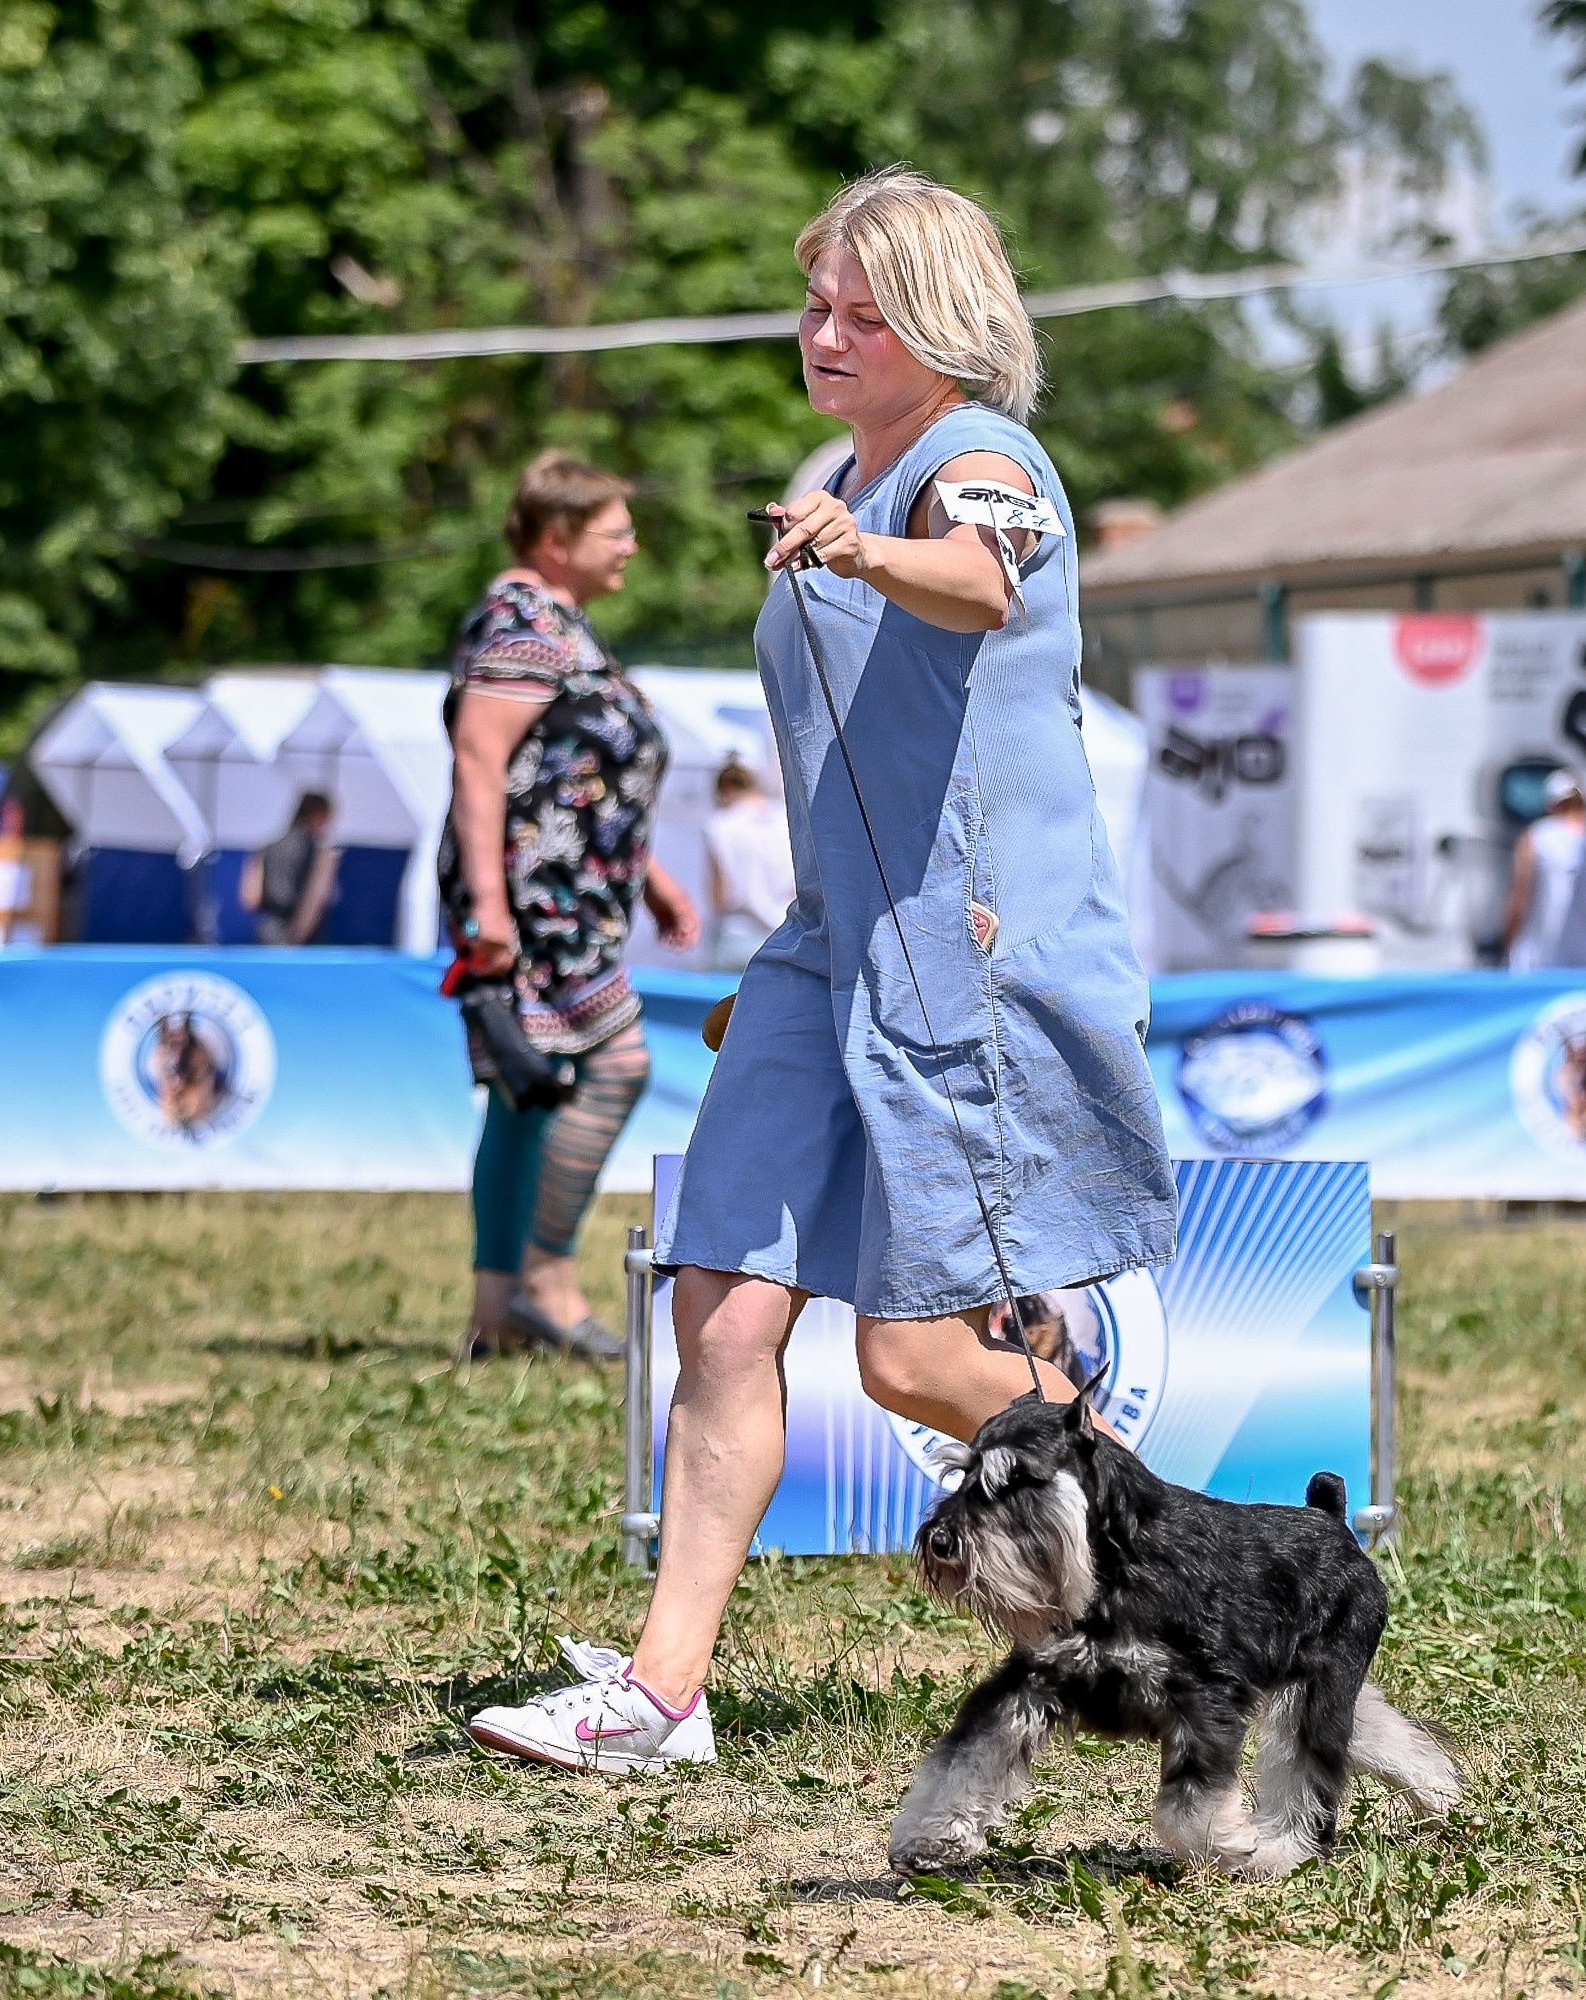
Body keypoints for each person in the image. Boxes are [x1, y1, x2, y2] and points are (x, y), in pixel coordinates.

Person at [466, 169, 1177, 1774]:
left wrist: (867, 549)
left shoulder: (980, 460)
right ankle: (661, 1695)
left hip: (964, 957)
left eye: (865, 312)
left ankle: (1125, 1519)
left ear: (944, 322)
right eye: (816, 306)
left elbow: (982, 580)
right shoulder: (833, 472)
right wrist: (792, 976)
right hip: (826, 951)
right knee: (717, 1308)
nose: (825, 334)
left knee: (913, 1357)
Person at [442, 450, 700, 1362]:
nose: (632, 545)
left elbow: (569, 776)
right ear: (556, 541)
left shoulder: (558, 623)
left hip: (570, 899)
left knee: (530, 1092)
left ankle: (496, 1311)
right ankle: (548, 1280)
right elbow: (481, 763)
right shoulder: (523, 622)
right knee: (617, 1063)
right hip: (531, 904)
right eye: (614, 531)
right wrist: (489, 908)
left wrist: (652, 874)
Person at [1502, 769, 1586, 970]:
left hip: (1541, 962)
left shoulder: (1536, 838)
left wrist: (1508, 944)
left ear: (1553, 805)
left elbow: (1519, 901)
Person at [704, 760, 794, 970]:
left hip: (736, 934)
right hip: (783, 931)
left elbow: (719, 897)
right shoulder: (787, 819)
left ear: (726, 790)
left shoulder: (720, 825)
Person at [242, 791, 339, 945]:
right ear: (318, 814)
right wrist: (295, 937)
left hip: (267, 933)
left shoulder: (267, 847)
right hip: (304, 939)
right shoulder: (321, 854)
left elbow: (251, 897)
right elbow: (314, 900)